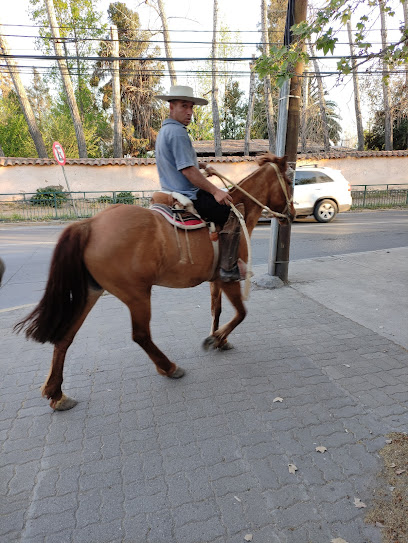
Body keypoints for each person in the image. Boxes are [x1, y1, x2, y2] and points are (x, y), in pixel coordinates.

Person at [155, 85, 242, 282]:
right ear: (171, 107)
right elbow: (187, 171)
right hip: (188, 192)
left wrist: (202, 165)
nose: (189, 112)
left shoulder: (166, 131)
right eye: (184, 106)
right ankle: (228, 267)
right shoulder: (178, 133)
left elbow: (182, 161)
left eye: (191, 107)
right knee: (233, 211)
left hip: (170, 189)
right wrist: (216, 191)